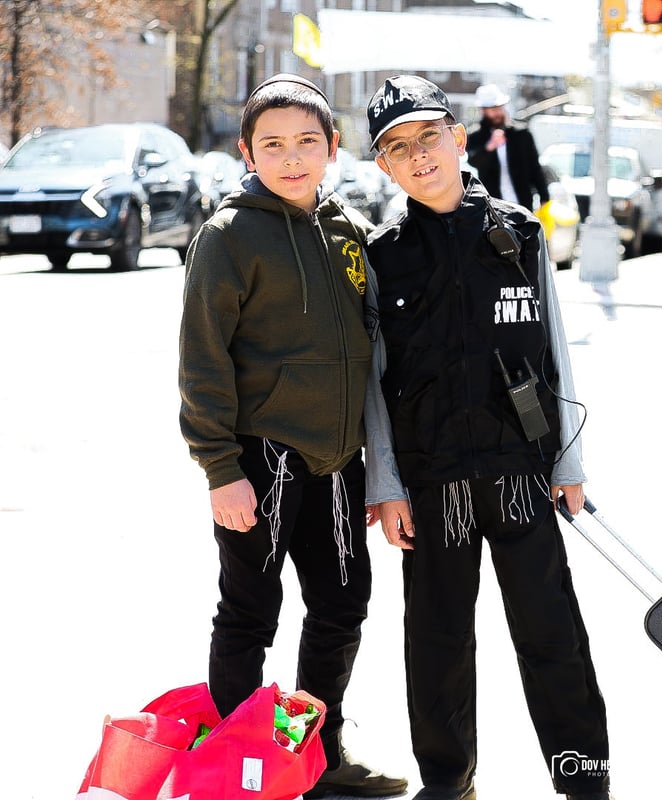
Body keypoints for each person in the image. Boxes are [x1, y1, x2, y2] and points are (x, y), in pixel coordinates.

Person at [362, 74, 612, 800]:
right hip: (432, 481)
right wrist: (385, 485)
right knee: (437, 642)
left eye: (428, 136)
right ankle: (448, 780)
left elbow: (557, 352)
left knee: (551, 635)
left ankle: (585, 778)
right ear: (384, 165)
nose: (418, 156)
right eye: (398, 147)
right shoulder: (383, 256)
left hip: (520, 474)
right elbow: (378, 382)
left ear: (458, 137)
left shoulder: (519, 233)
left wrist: (569, 460)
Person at [178, 74, 409, 798]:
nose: (291, 157)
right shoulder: (227, 237)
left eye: (307, 142)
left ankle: (317, 757)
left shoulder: (345, 228)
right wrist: (219, 467)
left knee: (342, 605)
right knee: (250, 609)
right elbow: (202, 359)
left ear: (334, 148)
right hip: (261, 458)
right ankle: (237, 768)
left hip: (338, 459)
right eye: (272, 145)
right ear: (247, 151)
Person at [465, 83, 550, 213]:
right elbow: (473, 161)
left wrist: (544, 196)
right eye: (493, 109)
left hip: (522, 202)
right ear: (483, 110)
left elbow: (534, 166)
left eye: (499, 108)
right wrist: (489, 147)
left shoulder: (521, 133)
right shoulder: (475, 136)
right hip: (493, 205)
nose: (498, 112)